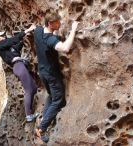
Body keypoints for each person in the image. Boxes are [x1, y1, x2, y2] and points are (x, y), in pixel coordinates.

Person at [34, 11, 79, 143]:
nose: (60, 23)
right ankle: (41, 129)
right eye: (57, 23)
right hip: (51, 74)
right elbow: (65, 48)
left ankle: (43, 120)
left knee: (52, 95)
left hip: (42, 71)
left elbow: (38, 29)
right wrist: (74, 30)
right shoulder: (50, 40)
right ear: (50, 24)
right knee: (58, 100)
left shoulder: (38, 31)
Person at [0, 24, 39, 122]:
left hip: (19, 66)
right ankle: (29, 115)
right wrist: (28, 30)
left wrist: (22, 40)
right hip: (18, 66)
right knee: (28, 90)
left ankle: (29, 112)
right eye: (2, 35)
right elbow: (13, 40)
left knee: (33, 88)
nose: (4, 36)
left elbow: (15, 47)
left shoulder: (5, 48)